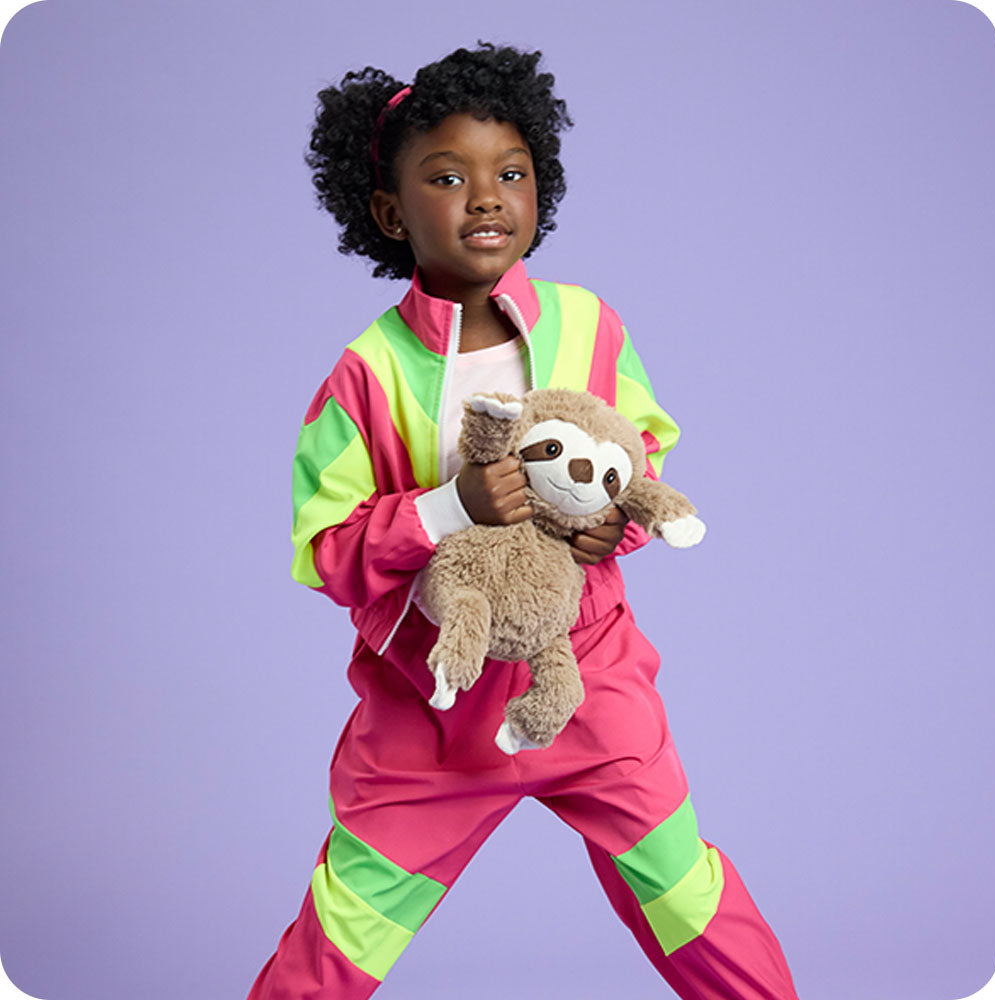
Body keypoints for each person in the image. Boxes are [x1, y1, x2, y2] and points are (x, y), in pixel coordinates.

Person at [248, 42, 799, 1000]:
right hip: (431, 710)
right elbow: (325, 551)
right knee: (341, 938)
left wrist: (610, 532)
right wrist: (450, 505)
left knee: (687, 896)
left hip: (591, 680)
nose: (487, 197)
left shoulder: (590, 325)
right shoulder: (362, 377)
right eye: (448, 177)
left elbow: (641, 459)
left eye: (511, 173)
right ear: (389, 212)